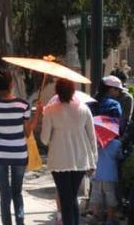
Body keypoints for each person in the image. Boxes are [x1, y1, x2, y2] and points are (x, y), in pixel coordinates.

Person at [0, 69, 41, 225]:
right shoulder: (23, 105)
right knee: (17, 192)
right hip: (19, 154)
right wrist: (37, 114)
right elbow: (27, 133)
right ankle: (20, 222)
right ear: (12, 84)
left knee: (4, 195)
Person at [41, 78, 97, 225]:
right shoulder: (84, 109)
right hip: (81, 158)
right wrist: (94, 161)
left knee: (67, 198)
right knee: (71, 197)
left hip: (59, 159)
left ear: (57, 91)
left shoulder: (50, 110)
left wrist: (44, 117)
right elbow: (92, 137)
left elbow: (44, 139)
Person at [89, 133, 122, 225]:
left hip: (97, 174)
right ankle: (110, 220)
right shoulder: (117, 143)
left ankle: (96, 216)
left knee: (96, 197)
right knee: (111, 198)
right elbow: (119, 156)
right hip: (110, 175)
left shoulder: (95, 142)